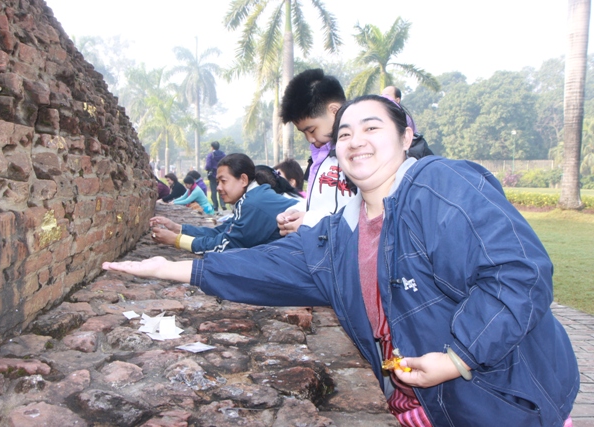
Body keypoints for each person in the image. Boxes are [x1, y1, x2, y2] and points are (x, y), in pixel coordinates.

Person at [104, 95, 578, 427]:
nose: (356, 141)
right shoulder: (341, 232)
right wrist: (176, 269)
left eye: (372, 128)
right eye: (345, 134)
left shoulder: (440, 186)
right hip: (427, 408)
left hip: (503, 399)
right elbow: (269, 266)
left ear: (406, 136)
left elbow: (518, 273)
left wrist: (459, 358)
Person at [148, 153, 301, 254]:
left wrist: (176, 240)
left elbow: (225, 245)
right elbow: (222, 232)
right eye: (217, 182)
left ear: (243, 180)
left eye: (223, 181)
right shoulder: (253, 197)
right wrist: (177, 228)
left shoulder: (252, 203)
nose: (219, 188)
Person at [278, 68, 355, 234]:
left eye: (312, 130)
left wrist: (309, 220)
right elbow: (318, 203)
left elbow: (363, 212)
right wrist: (294, 212)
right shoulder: (320, 156)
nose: (310, 139)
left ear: (334, 111)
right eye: (304, 133)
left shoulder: (359, 153)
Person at [205, 141, 227, 213]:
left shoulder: (210, 155)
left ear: (212, 147)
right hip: (222, 175)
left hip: (213, 175)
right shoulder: (223, 155)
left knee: (214, 191)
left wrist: (207, 169)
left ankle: (215, 206)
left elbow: (208, 166)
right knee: (221, 189)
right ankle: (223, 204)